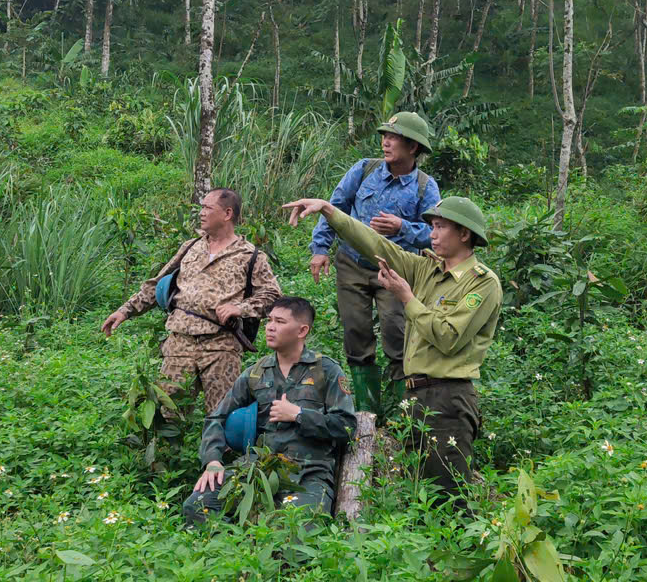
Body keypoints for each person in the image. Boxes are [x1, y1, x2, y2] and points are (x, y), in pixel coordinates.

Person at [283, 195, 500, 505]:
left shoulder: (482, 283)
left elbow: (448, 336)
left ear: (464, 234)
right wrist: (332, 212)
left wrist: (406, 297)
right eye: (432, 227)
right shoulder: (427, 268)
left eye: (440, 227)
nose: (432, 234)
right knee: (417, 495)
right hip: (415, 395)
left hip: (449, 398)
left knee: (448, 500)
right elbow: (379, 247)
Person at [308, 111, 441, 418]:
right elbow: (335, 206)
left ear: (413, 147)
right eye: (385, 136)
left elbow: (435, 235)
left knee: (397, 336)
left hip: (393, 272)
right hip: (352, 264)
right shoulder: (364, 170)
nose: (385, 142)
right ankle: (367, 412)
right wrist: (320, 248)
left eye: (394, 138)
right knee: (356, 334)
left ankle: (400, 412)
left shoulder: (424, 186)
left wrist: (402, 228)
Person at [101, 188, 281, 414]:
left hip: (221, 345)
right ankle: (166, 451)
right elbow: (157, 285)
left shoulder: (250, 255)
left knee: (222, 415)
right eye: (201, 207)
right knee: (168, 414)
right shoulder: (190, 247)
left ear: (227, 213)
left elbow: (272, 295)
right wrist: (124, 311)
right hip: (179, 342)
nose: (201, 213)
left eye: (207, 207)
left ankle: (216, 450)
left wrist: (240, 308)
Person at [183, 296, 357, 524]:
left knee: (299, 527)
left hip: (307, 472)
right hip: (259, 468)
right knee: (197, 506)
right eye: (269, 321)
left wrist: (298, 415)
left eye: (280, 322)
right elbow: (217, 416)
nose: (270, 327)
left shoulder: (326, 371)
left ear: (302, 330)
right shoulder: (256, 372)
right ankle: (239, 550)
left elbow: (346, 427)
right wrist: (213, 460)